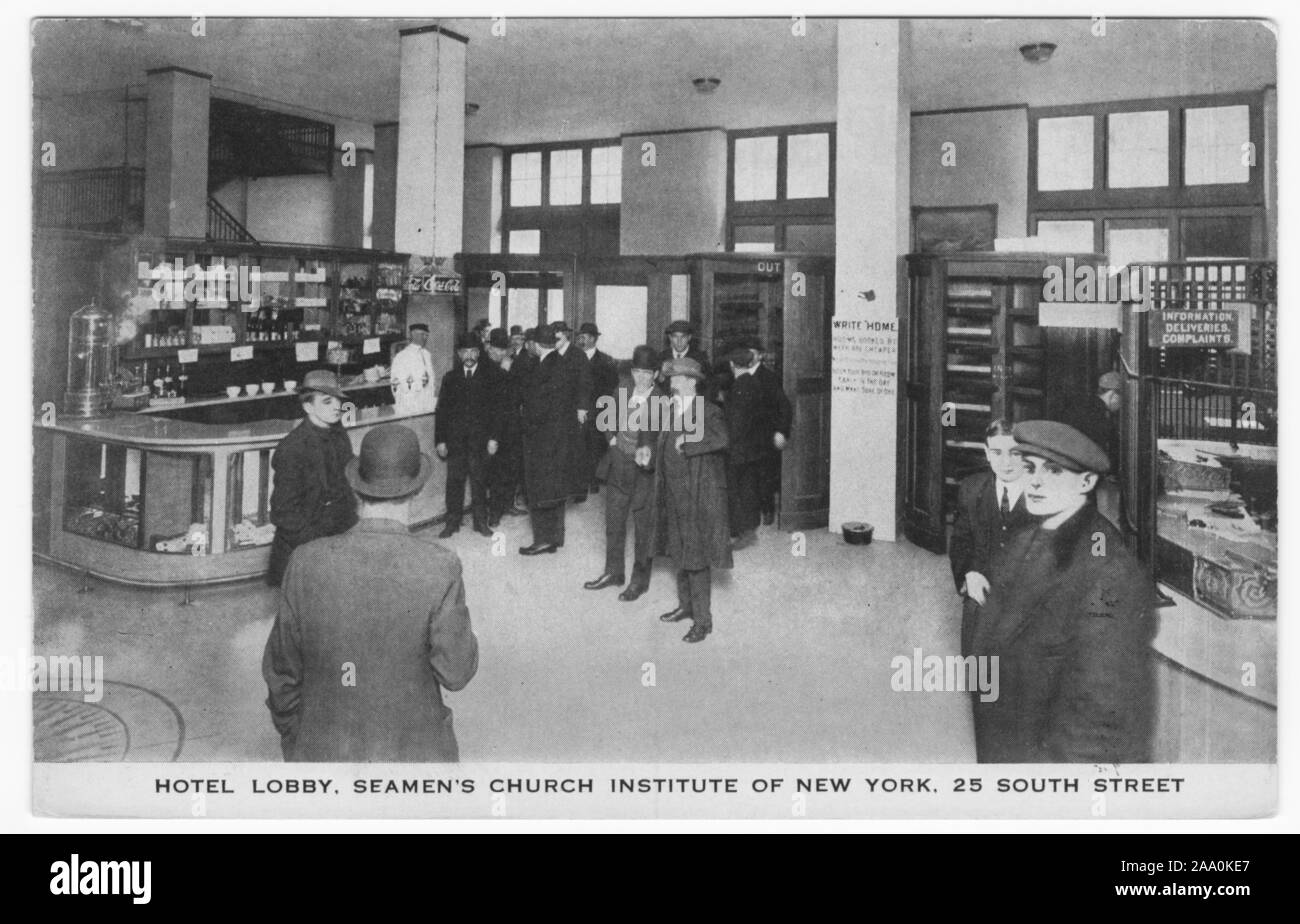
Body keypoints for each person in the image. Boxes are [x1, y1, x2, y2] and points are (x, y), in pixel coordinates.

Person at [262, 423, 479, 762]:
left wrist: (297, 736)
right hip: (414, 756)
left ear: (356, 488)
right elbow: (456, 672)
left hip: (322, 749)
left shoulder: (304, 561)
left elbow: (282, 673)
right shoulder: (440, 566)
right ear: (417, 490)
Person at [968, 420, 1157, 763]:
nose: (1036, 481)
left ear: (1087, 481)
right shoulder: (1026, 539)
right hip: (1006, 746)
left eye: (1054, 471)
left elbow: (1101, 719)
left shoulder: (1109, 573)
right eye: (1030, 468)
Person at [651, 357, 732, 643]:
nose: (671, 382)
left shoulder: (708, 410)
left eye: (675, 378)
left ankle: (703, 621)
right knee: (679, 549)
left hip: (697, 493)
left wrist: (690, 442)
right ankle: (686, 606)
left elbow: (722, 440)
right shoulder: (671, 408)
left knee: (696, 555)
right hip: (672, 491)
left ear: (690, 382)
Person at [948, 419, 1037, 657]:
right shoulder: (971, 489)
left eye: (1015, 453)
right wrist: (970, 574)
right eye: (997, 453)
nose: (1006, 463)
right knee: (979, 676)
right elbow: (960, 543)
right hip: (983, 582)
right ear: (987, 453)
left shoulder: (1042, 492)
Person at [265, 370, 358, 587]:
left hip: (336, 536)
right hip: (302, 549)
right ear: (308, 407)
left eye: (338, 400)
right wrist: (320, 547)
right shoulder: (292, 448)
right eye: (327, 401)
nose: (337, 407)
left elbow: (344, 480)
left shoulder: (338, 433)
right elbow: (284, 513)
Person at [584, 345, 661, 601]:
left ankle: (639, 581)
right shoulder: (622, 390)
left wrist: (649, 452)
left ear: (656, 374)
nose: (640, 377)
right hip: (618, 464)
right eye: (636, 371)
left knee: (643, 528)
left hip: (644, 472)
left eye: (646, 373)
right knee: (614, 523)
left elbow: (664, 439)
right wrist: (612, 440)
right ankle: (613, 572)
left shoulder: (662, 400)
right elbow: (605, 419)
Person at [435, 332, 507, 539]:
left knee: (479, 482)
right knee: (454, 483)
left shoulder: (490, 377)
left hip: (480, 441)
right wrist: (440, 440)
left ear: (479, 353)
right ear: (459, 354)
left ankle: (480, 522)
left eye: (473, 351)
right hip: (455, 442)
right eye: (465, 351)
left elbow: (498, 412)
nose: (469, 355)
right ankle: (452, 523)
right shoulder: (450, 378)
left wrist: (494, 438)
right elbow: (442, 411)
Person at [722, 340, 792, 550]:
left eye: (752, 352)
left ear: (760, 356)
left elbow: (783, 406)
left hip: (759, 440)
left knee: (756, 483)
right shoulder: (739, 381)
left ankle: (757, 518)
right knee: (749, 485)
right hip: (750, 442)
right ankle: (748, 525)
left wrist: (781, 431)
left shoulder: (767, 378)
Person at [519, 325, 581, 554]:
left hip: (542, 438)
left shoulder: (545, 366)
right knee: (554, 489)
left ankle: (543, 539)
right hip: (558, 437)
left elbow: (537, 405)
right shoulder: (559, 362)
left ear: (535, 344)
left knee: (540, 488)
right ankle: (554, 538)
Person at [484, 328, 527, 526]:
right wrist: (504, 371)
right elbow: (491, 397)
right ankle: (494, 512)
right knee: (495, 472)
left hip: (511, 425)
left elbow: (515, 393)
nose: (500, 353)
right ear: (488, 347)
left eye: (504, 349)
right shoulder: (483, 365)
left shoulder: (511, 364)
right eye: (497, 349)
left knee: (512, 468)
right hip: (491, 426)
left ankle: (508, 503)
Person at [552, 320, 594, 503]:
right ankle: (561, 488)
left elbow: (585, 384)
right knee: (559, 450)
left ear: (566, 335)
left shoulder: (578, 355)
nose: (555, 340)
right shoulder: (552, 354)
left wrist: (582, 408)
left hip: (574, 410)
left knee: (576, 450)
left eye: (558, 337)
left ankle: (578, 491)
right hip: (556, 410)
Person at [577, 321, 620, 496]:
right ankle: (579, 484)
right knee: (579, 447)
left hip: (597, 411)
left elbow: (611, 387)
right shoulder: (574, 357)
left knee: (595, 447)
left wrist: (598, 409)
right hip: (578, 411)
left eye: (584, 337)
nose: (581, 340)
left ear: (594, 339)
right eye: (580, 337)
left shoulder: (605, 361)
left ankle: (593, 481)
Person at [390, 323, 438, 413]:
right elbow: (396, 386)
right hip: (409, 407)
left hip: (426, 405)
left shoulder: (427, 355)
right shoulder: (401, 357)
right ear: (413, 335)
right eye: (422, 335)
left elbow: (431, 381)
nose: (425, 338)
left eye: (426, 335)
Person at [657, 320, 712, 393]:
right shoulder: (662, 357)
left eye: (683, 337)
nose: (679, 341)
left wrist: (699, 403)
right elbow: (657, 386)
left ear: (689, 337)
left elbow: (708, 386)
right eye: (675, 337)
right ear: (670, 337)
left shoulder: (700, 358)